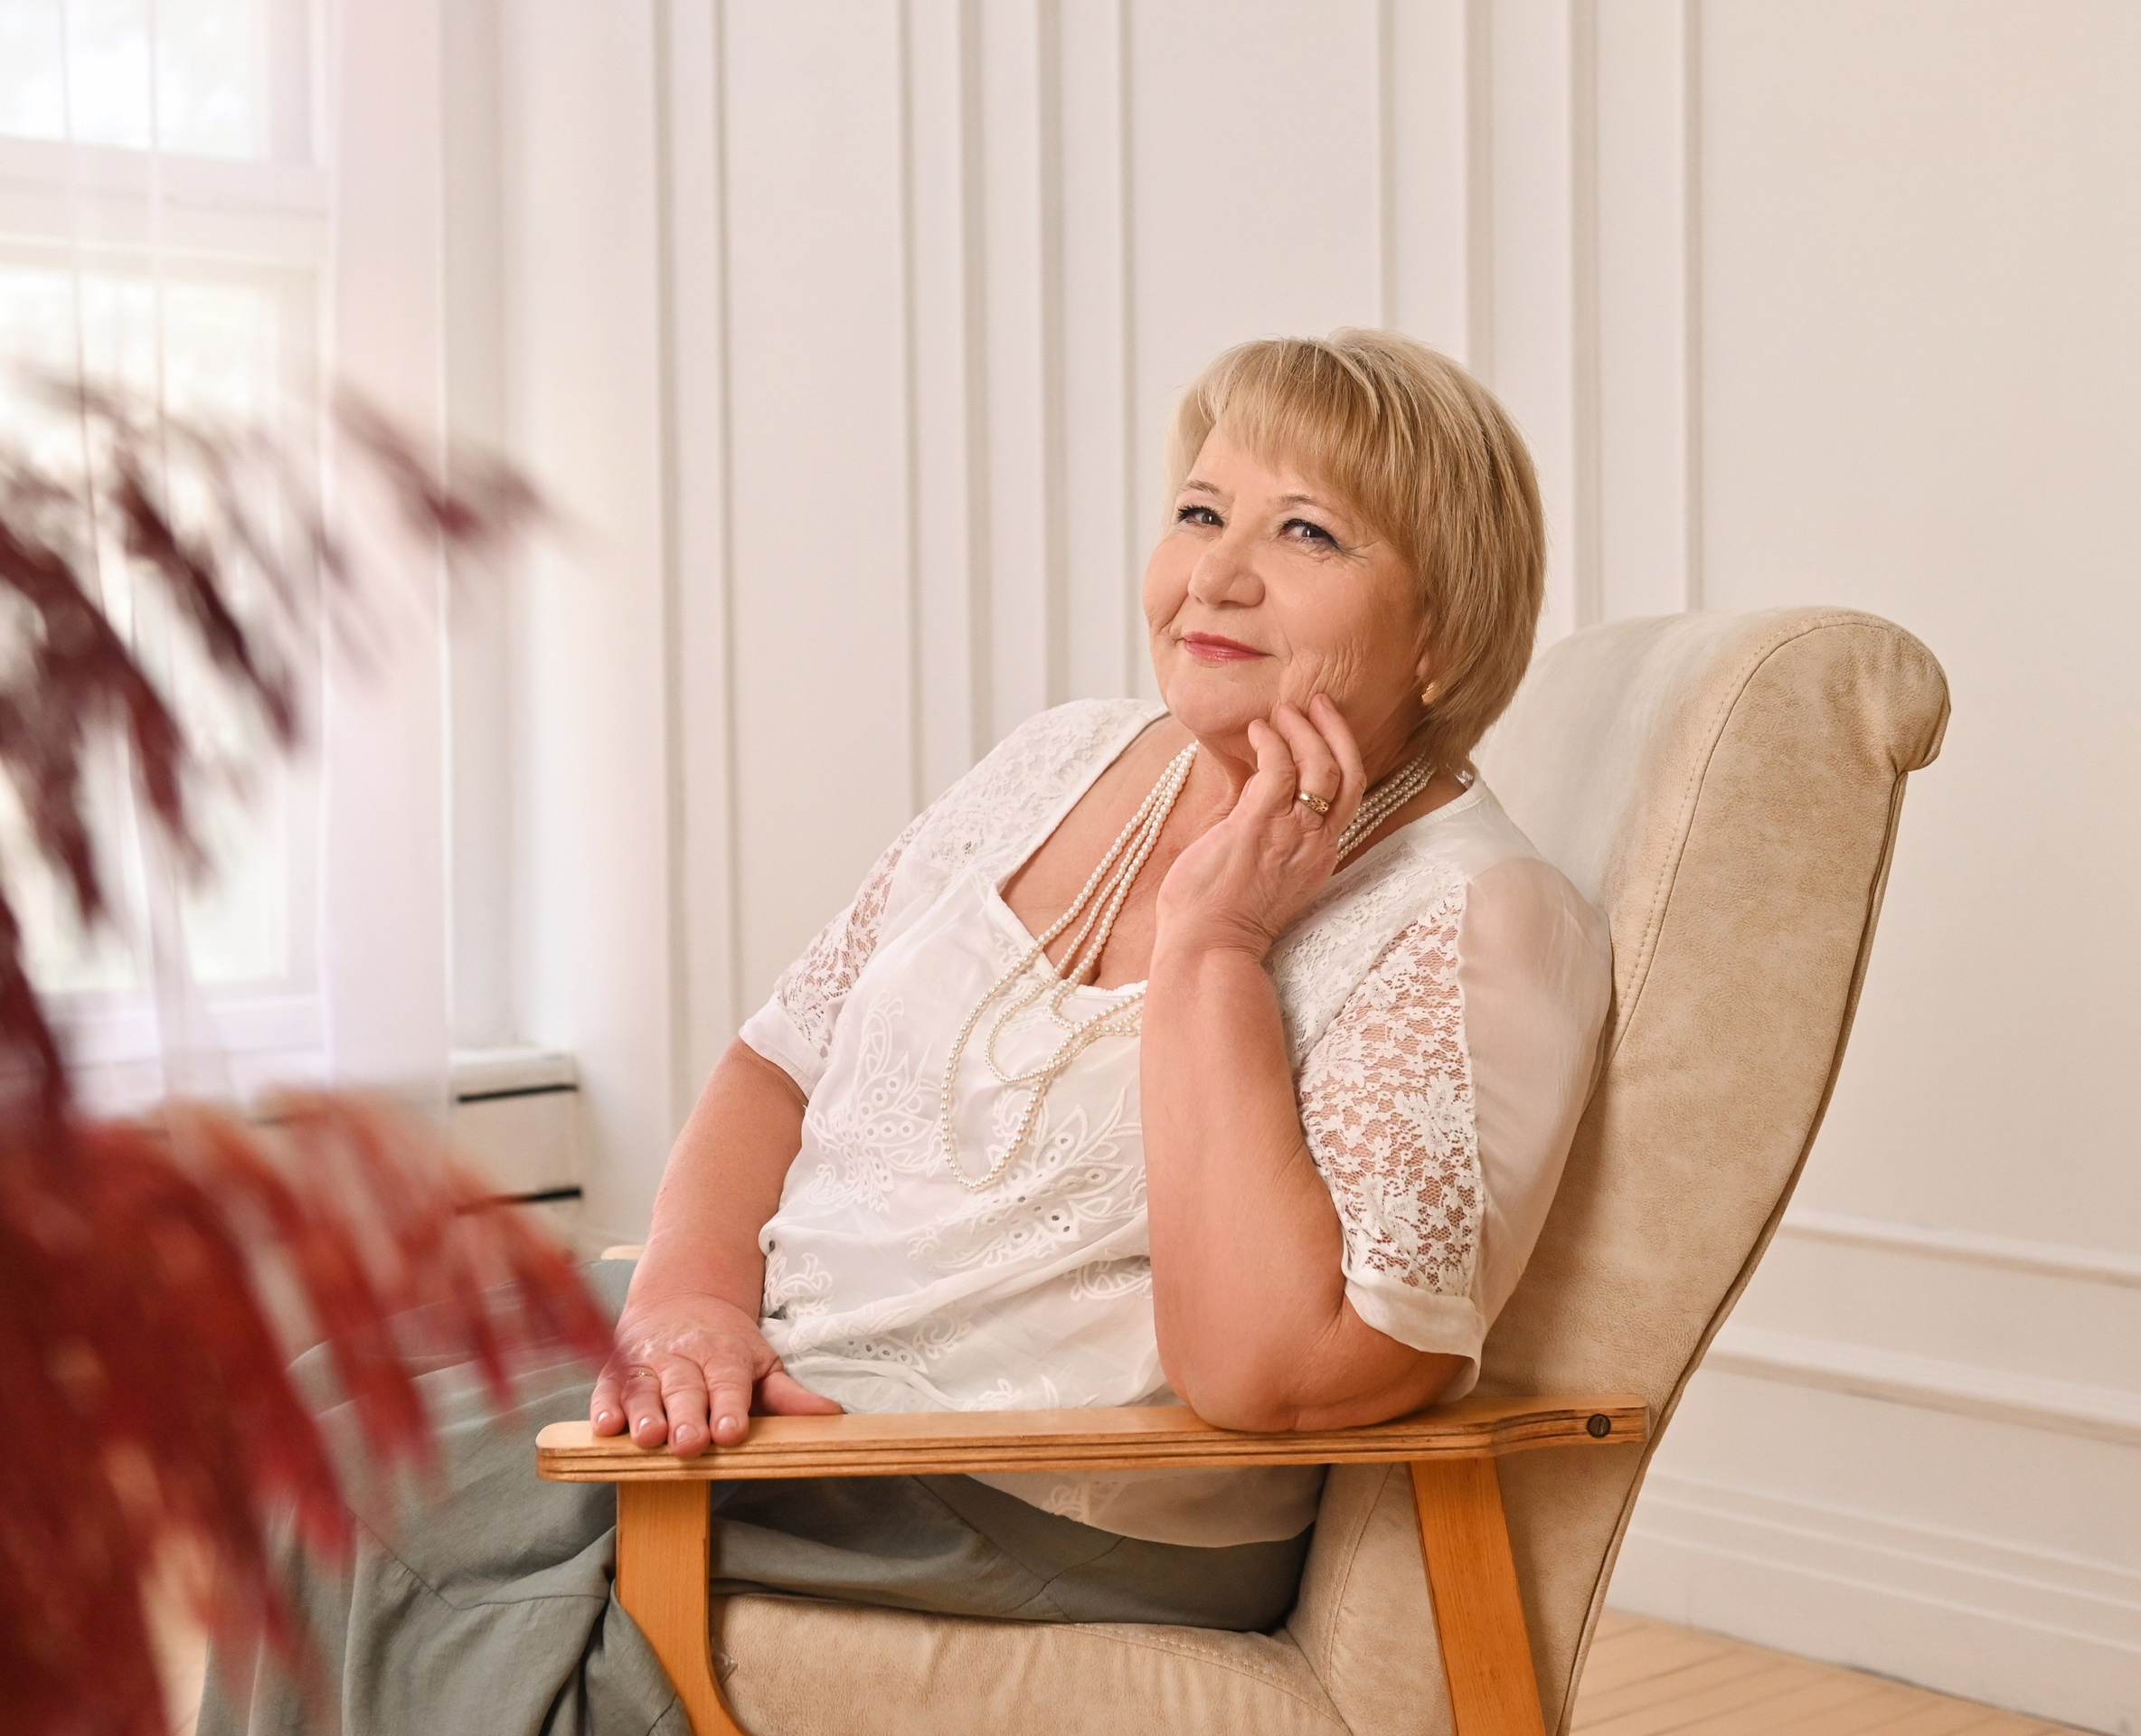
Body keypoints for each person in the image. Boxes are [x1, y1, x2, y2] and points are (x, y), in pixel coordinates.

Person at [202, 329, 1612, 1735]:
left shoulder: (1481, 918)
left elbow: (1271, 1378)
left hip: (1017, 1492)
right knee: (326, 1394)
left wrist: (1214, 956)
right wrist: (693, 1302)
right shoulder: (1068, 755)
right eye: (1199, 511)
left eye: (1305, 531)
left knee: (373, 1499)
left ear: (1442, 630)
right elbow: (777, 1060)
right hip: (809, 1363)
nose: (1217, 575)